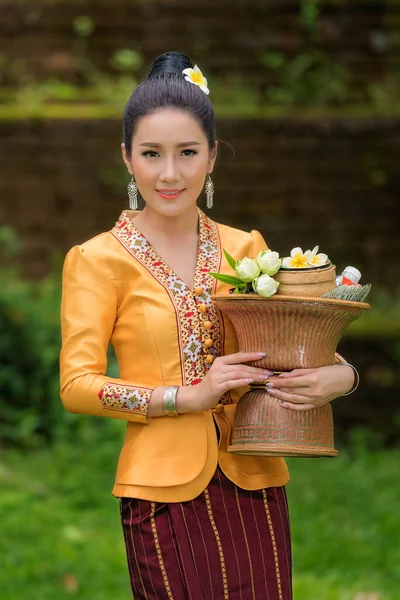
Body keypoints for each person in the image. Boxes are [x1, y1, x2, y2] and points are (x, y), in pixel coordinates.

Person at [60, 51, 358, 600]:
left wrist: (341, 377)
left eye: (187, 153)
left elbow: (292, 348)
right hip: (160, 494)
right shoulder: (96, 259)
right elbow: (77, 386)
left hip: (255, 480)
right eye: (151, 154)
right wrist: (182, 398)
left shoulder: (248, 250)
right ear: (127, 158)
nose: (169, 173)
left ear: (213, 157)